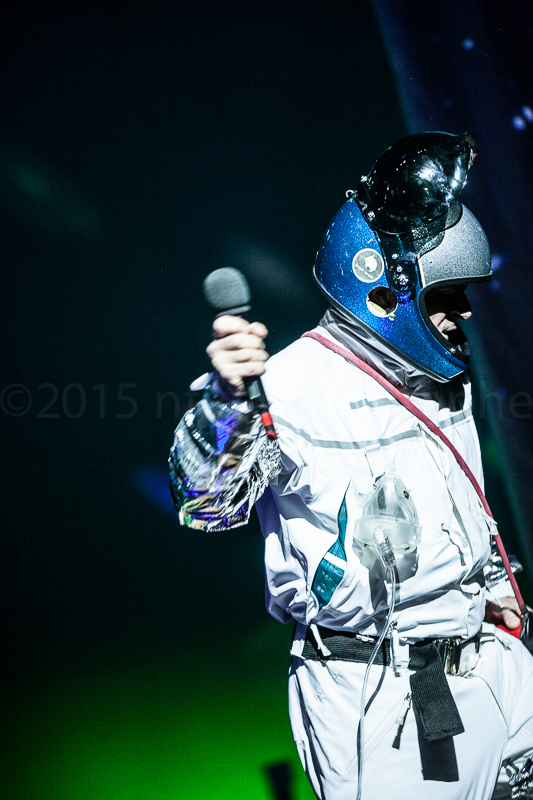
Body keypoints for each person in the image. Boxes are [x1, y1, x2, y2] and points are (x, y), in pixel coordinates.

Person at [169, 132, 533, 799]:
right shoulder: (291, 386)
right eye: (447, 294)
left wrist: (492, 588)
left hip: (494, 659)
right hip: (390, 697)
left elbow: (456, 501)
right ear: (383, 291)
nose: (463, 311)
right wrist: (227, 404)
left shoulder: (436, 376)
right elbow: (205, 505)